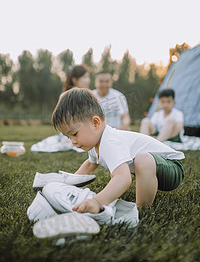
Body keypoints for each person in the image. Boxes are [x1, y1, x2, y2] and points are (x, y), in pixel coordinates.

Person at [51, 87, 185, 213]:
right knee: (137, 161)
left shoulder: (110, 141)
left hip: (172, 167)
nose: (72, 141)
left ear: (95, 123)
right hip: (156, 169)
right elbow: (90, 165)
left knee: (142, 160)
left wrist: (97, 202)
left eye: (74, 134)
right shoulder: (96, 143)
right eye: (68, 137)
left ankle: (142, 209)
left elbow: (123, 178)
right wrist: (67, 186)